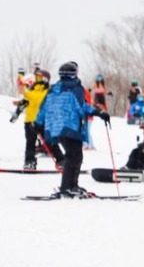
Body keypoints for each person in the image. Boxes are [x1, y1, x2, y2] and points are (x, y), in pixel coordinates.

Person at [34, 61, 110, 197]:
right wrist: (99, 113)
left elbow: (43, 107)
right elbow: (83, 107)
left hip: (55, 128)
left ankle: (71, 185)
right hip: (71, 127)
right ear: (74, 74)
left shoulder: (52, 90)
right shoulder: (76, 89)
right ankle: (67, 187)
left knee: (73, 156)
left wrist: (37, 123)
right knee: (74, 157)